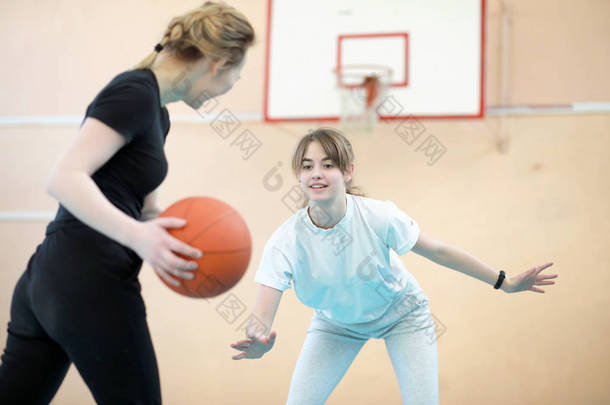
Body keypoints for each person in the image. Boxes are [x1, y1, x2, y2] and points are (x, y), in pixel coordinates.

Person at [0, 2, 254, 404]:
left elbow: (146, 209)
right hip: (88, 280)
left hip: (51, 283)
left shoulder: (158, 112)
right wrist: (138, 236)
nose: (227, 89)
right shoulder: (133, 91)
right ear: (217, 64)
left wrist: (170, 242)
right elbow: (64, 178)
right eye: (234, 78)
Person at [230, 127, 558, 405]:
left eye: (328, 164)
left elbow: (440, 251)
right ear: (299, 176)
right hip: (336, 325)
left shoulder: (378, 216)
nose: (316, 172)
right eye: (307, 166)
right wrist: (258, 342)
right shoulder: (286, 240)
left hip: (403, 315)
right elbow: (262, 316)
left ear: (348, 172)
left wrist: (505, 282)